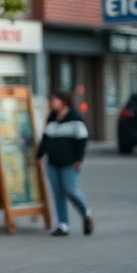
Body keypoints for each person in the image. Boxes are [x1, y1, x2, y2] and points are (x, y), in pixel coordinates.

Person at [36, 89, 93, 237]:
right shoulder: (52, 118)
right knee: (58, 194)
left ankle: (85, 212)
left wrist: (79, 160)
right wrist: (39, 156)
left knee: (70, 190)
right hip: (52, 163)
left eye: (54, 100)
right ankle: (62, 225)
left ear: (63, 102)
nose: (51, 102)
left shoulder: (75, 118)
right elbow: (46, 139)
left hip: (70, 163)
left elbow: (82, 140)